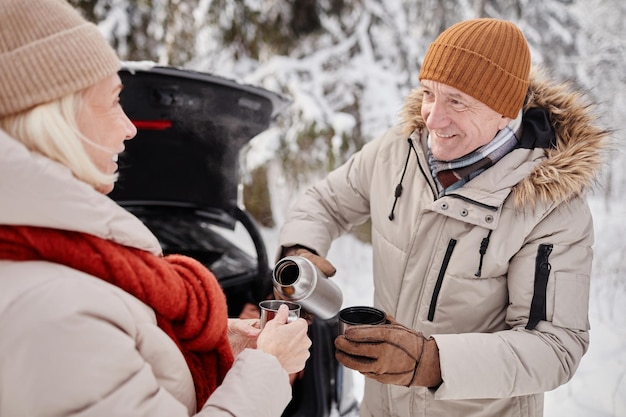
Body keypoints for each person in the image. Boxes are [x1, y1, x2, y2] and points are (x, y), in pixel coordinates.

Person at [277, 18, 609, 417]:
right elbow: (325, 201)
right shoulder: (397, 152)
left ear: (505, 111)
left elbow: (555, 346)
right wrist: (303, 247)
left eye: (457, 101)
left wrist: (434, 362)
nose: (432, 118)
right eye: (429, 93)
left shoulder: (551, 207)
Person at [0, 0, 311, 416]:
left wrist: (217, 340)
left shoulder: (70, 262)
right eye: (113, 101)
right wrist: (269, 368)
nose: (130, 128)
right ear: (58, 116)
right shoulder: (54, 311)